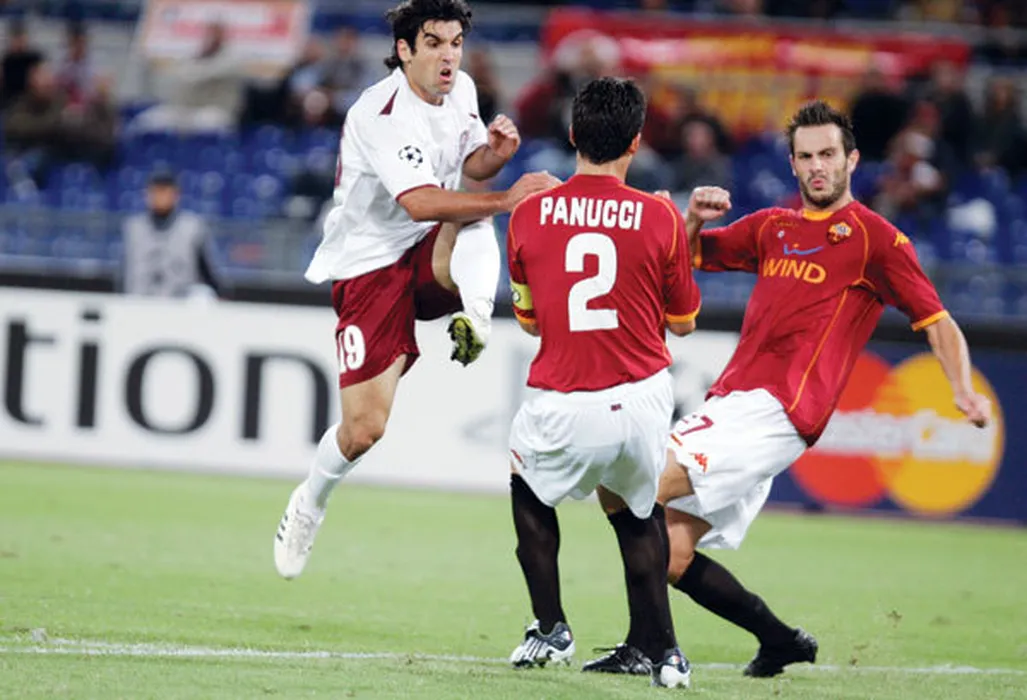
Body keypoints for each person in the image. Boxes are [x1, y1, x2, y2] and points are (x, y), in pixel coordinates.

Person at [589, 100, 992, 678]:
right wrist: (692, 218)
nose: (817, 166)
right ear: (793, 163)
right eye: (806, 157)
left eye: (828, 154)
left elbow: (938, 321)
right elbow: (686, 256)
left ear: (852, 160)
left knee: (634, 485)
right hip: (734, 403)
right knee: (672, 554)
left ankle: (646, 647)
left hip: (778, 411)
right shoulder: (773, 227)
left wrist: (962, 388)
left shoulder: (875, 240)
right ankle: (780, 641)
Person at [273, 0, 559, 579]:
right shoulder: (379, 112)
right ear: (404, 51)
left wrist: (493, 157)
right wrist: (507, 196)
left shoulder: (463, 90)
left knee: (474, 217)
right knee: (364, 430)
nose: (448, 56)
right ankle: (309, 501)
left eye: (455, 43)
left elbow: (468, 169)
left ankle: (476, 319)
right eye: (433, 43)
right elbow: (421, 200)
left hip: (428, 248)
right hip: (369, 265)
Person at [505, 77, 700, 689]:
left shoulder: (530, 212)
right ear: (636, 142)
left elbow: (530, 320)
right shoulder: (661, 216)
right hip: (643, 396)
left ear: (572, 135)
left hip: (566, 395)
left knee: (528, 488)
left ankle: (550, 627)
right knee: (637, 513)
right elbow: (683, 323)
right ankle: (667, 654)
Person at [120, 168, 222, 299]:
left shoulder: (192, 227)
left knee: (203, 295)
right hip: (139, 302)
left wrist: (219, 294)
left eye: (165, 191)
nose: (160, 196)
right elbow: (122, 271)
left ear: (176, 195)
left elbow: (207, 270)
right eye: (156, 191)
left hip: (179, 303)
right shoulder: (133, 227)